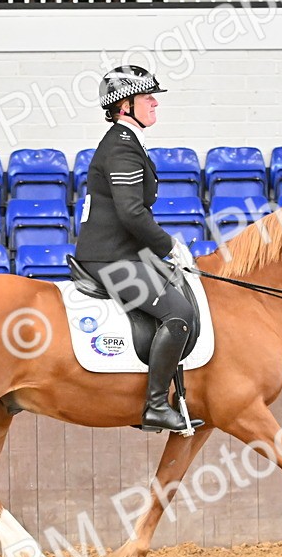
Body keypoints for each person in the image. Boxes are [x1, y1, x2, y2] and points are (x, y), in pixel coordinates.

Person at [74, 65, 196, 433]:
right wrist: (170, 246)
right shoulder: (122, 148)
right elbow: (131, 212)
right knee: (179, 314)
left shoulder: (127, 144)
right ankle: (156, 405)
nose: (155, 102)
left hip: (123, 252)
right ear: (125, 105)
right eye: (148, 97)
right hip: (110, 258)